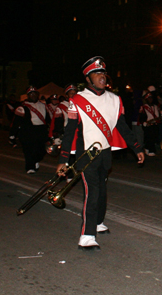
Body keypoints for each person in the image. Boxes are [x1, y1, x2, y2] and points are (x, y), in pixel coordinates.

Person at [56, 56, 144, 250]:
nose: (102, 76)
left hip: (105, 153)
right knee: (92, 192)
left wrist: (137, 148)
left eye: (103, 73)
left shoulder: (115, 99)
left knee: (102, 191)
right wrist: (63, 159)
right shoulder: (77, 100)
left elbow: (122, 126)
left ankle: (98, 222)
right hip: (86, 154)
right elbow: (70, 131)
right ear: (88, 78)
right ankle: (87, 236)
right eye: (97, 73)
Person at [10, 86, 51, 174]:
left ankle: (35, 160)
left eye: (35, 93)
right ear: (28, 95)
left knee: (42, 150)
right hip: (28, 131)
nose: (33, 95)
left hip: (41, 130)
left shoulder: (43, 105)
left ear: (37, 95)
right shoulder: (22, 107)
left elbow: (48, 119)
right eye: (31, 94)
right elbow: (16, 122)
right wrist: (12, 134)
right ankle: (30, 167)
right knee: (28, 150)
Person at [138, 90, 161, 156]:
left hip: (155, 124)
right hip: (148, 125)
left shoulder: (156, 106)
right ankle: (151, 150)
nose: (150, 99)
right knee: (149, 138)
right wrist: (144, 122)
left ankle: (148, 148)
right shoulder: (144, 107)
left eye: (151, 98)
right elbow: (141, 116)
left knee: (154, 137)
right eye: (149, 98)